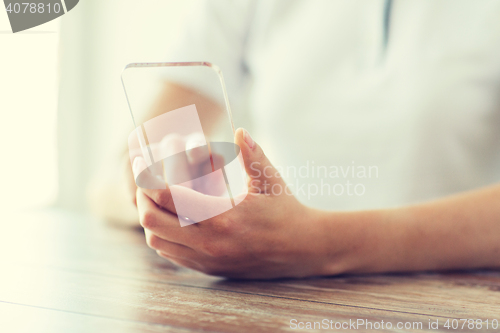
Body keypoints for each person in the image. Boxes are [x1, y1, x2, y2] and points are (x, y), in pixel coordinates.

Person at [97, 0, 500, 279]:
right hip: (275, 300)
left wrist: (320, 245)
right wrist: (171, 204)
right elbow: (118, 176)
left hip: (454, 303)